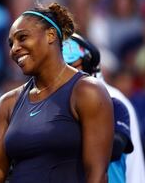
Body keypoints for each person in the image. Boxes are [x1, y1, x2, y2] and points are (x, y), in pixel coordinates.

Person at [0, 2, 114, 183]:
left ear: (50, 35)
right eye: (11, 44)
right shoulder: (8, 102)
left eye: (22, 38)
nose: (14, 49)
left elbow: (97, 174)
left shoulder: (87, 91)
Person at [62, 33, 145, 183]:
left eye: (72, 66)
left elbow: (117, 150)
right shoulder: (51, 104)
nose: (67, 75)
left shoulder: (114, 100)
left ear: (89, 64)